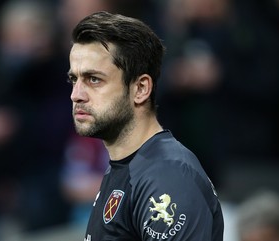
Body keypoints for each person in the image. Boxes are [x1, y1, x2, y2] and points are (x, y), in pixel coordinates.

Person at [67, 11, 224, 240]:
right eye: (74, 79)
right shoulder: (128, 167)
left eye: (94, 79)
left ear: (140, 89)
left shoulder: (167, 177)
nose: (76, 95)